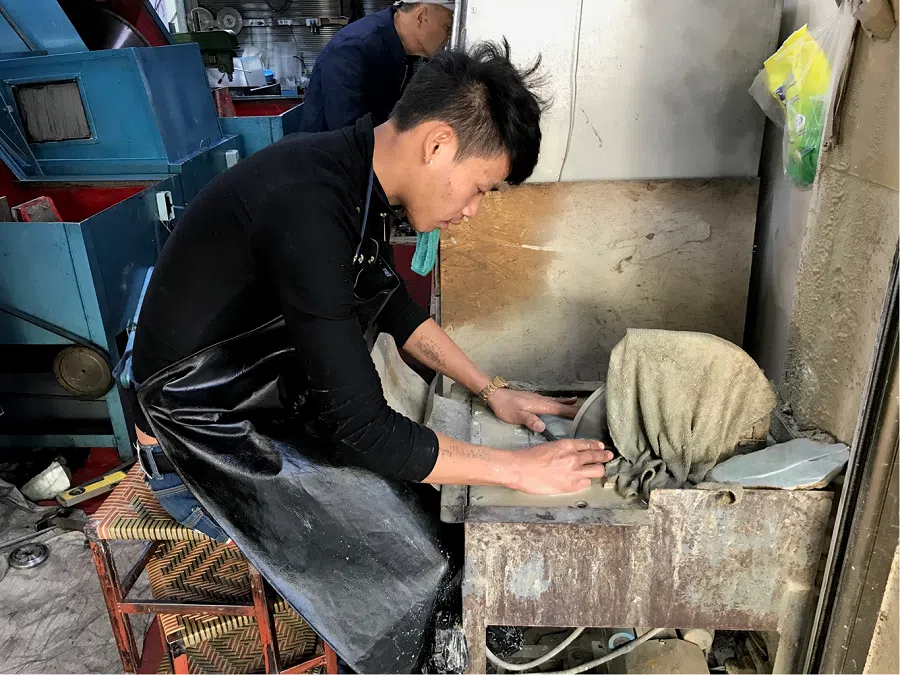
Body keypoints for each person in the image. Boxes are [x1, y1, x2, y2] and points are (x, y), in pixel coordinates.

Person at [130, 41, 612, 671]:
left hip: (257, 403)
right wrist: (521, 471)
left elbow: (391, 306)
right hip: (197, 443)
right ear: (437, 145)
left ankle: (477, 646)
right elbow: (361, 430)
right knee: (423, 557)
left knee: (434, 498)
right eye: (480, 189)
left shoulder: (357, 175)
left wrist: (492, 389)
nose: (470, 211)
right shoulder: (311, 204)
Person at [299, 1, 455, 133]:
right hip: (329, 161)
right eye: (447, 27)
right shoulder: (353, 49)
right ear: (421, 17)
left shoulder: (402, 51)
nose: (449, 37)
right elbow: (348, 134)